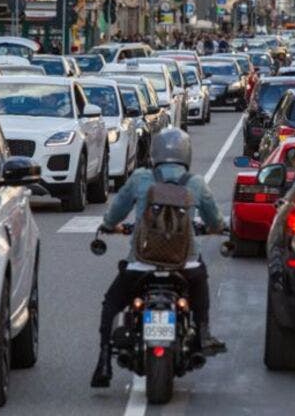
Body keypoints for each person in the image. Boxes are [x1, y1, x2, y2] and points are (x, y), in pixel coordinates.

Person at [90, 129, 227, 388]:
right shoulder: (195, 183)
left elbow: (115, 211)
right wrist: (217, 228)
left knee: (111, 303)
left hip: (141, 263)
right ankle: (204, 334)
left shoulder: (141, 178)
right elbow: (215, 220)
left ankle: (104, 358)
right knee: (201, 284)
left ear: (155, 153)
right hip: (185, 264)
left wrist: (109, 225)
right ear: (186, 154)